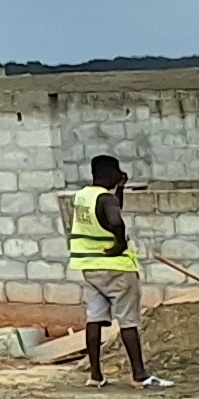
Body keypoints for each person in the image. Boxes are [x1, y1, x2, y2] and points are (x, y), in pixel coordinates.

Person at [69, 153, 147, 386]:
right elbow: (115, 221)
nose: (119, 174)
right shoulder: (106, 199)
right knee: (128, 320)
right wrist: (119, 245)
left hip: (90, 268)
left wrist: (120, 189)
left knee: (94, 318)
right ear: (108, 173)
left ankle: (95, 375)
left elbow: (108, 210)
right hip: (117, 269)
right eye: (116, 171)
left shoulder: (84, 196)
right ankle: (139, 375)